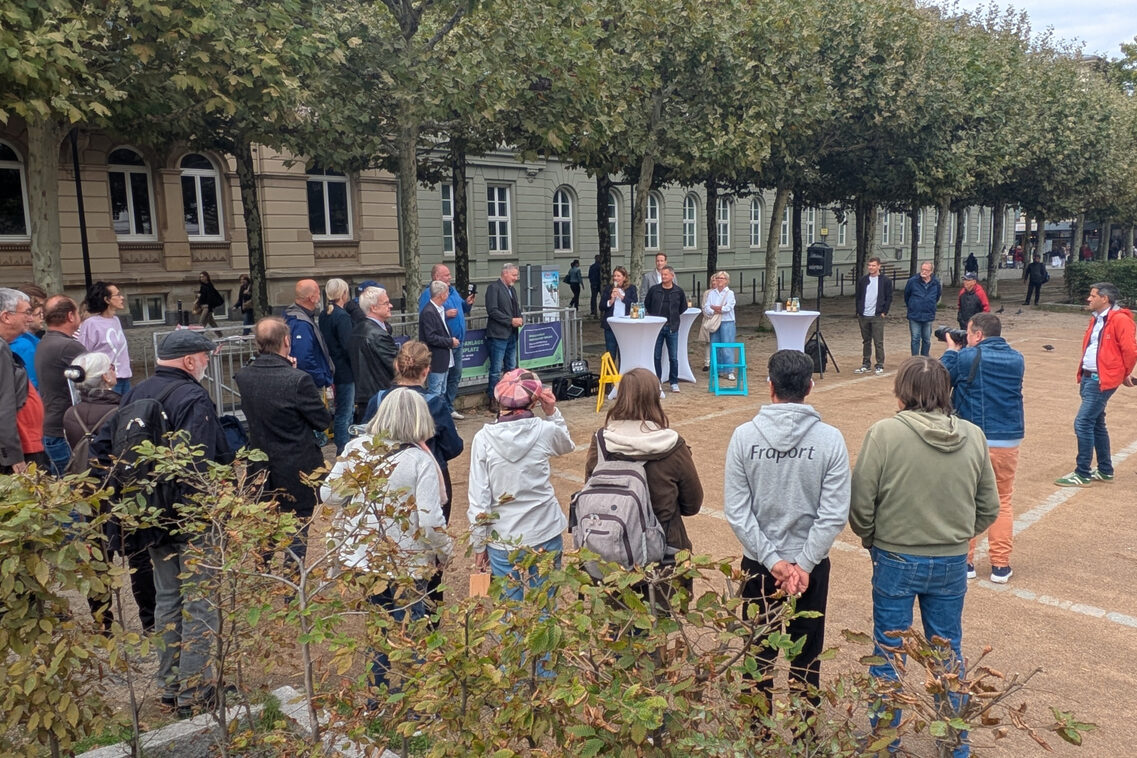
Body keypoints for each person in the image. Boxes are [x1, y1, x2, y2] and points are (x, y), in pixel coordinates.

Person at [849, 356, 998, 758]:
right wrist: (959, 536)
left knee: (888, 651)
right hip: (950, 561)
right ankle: (953, 743)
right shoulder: (974, 435)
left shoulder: (884, 433)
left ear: (902, 391)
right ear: (944, 392)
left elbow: (861, 501)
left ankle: (885, 739)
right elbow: (989, 506)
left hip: (895, 556)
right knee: (947, 652)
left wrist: (872, 538)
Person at [91, 329, 232, 714]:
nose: (206, 363)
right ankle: (195, 692)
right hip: (190, 516)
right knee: (201, 602)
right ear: (189, 360)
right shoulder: (193, 396)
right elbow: (199, 462)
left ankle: (170, 687)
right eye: (205, 357)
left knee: (168, 598)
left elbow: (104, 448)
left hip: (148, 517)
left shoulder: (136, 392)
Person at [723, 350, 850, 709]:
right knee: (806, 658)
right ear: (810, 386)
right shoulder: (830, 440)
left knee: (756, 654)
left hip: (759, 566)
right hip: (810, 570)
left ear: (770, 387)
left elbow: (737, 510)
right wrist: (804, 566)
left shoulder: (744, 437)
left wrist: (772, 561)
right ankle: (804, 737)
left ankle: (756, 737)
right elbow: (833, 513)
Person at [321, 388, 451, 693]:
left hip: (366, 557)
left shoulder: (356, 448)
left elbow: (328, 495)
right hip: (408, 559)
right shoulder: (421, 461)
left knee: (377, 627)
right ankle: (417, 702)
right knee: (414, 629)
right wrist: (445, 551)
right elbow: (431, 520)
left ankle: (375, 697)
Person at [584, 367, 703, 602]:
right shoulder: (673, 445)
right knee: (658, 626)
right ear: (655, 399)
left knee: (616, 628)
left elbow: (591, 488)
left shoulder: (601, 441)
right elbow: (692, 504)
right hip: (665, 551)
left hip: (611, 551)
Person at [62, 350, 155, 633]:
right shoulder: (122, 410)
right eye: (111, 367)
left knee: (97, 556)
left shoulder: (70, 414)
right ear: (106, 376)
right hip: (120, 489)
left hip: (87, 490)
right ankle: (149, 621)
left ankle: (103, 622)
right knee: (138, 555)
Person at [468, 369, 575, 601]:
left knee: (508, 616)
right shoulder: (545, 430)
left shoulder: (483, 439)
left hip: (503, 536)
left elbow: (479, 498)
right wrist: (553, 413)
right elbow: (566, 445)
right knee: (545, 609)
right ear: (534, 401)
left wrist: (479, 544)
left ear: (499, 401)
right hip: (544, 528)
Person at [235, 317, 333, 565]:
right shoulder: (298, 380)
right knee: (298, 521)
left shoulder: (244, 377)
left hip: (261, 462)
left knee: (266, 515)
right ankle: (292, 573)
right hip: (296, 462)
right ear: (287, 341)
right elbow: (322, 420)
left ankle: (263, 565)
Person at [941, 313, 1024, 584]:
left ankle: (965, 562)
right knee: (1003, 500)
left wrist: (952, 350)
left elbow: (940, 378)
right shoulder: (1017, 358)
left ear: (977, 335)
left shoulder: (968, 357)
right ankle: (1000, 565)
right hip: (1008, 439)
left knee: (966, 499)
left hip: (974, 439)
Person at [1055, 282, 1137, 487]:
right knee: (1097, 424)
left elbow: (1130, 351)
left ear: (1105, 298)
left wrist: (1123, 373)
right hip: (1089, 377)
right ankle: (1105, 469)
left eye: (1093, 296)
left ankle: (1082, 472)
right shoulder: (1097, 319)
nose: (1089, 299)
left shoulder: (1119, 320)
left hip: (1101, 380)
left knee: (1082, 422)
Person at [416, 264, 476, 420]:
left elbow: (462, 309)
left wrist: (467, 304)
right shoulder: (428, 296)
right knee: (437, 384)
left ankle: (448, 408)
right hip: (442, 346)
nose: (450, 277)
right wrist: (446, 314)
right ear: (436, 277)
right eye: (446, 275)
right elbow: (427, 318)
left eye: (449, 275)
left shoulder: (453, 291)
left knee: (454, 377)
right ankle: (434, 417)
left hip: (456, 343)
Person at [36, 295, 86, 475]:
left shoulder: (45, 342)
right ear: (71, 316)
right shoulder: (68, 347)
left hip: (52, 425)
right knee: (75, 489)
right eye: (79, 314)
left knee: (60, 488)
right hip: (65, 430)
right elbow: (95, 381)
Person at [350, 285, 398, 421]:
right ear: (373, 308)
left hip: (366, 396)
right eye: (386, 303)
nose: (391, 306)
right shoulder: (377, 335)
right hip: (381, 397)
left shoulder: (357, 330)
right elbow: (397, 365)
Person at [319, 279, 355, 455]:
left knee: (342, 409)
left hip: (332, 366)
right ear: (344, 294)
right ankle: (343, 449)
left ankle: (343, 447)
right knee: (345, 412)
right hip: (345, 370)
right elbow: (349, 345)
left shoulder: (324, 314)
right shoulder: (342, 316)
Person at [77, 281, 132, 395]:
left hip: (124, 377)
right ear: (107, 300)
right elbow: (83, 353)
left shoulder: (116, 320)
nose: (122, 298)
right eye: (117, 295)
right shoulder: (91, 324)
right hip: (105, 381)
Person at [0, 288, 33, 473]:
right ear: (6, 316)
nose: (30, 318)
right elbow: (4, 403)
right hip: (8, 455)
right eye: (27, 312)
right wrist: (14, 456)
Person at [484, 263, 523, 408]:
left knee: (511, 368)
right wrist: (510, 321)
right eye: (513, 275)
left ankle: (509, 395)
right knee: (495, 370)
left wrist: (519, 318)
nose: (515, 278)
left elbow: (515, 307)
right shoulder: (494, 288)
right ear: (504, 273)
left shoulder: (512, 290)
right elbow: (492, 311)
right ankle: (493, 398)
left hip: (512, 334)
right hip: (498, 335)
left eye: (516, 275)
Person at [284, 279, 334, 390]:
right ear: (311, 298)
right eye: (318, 294)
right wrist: (321, 378)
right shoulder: (300, 323)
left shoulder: (293, 316)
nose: (319, 297)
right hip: (309, 385)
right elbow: (303, 358)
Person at [418, 280, 459, 413]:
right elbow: (431, 337)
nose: (448, 294)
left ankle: (441, 419)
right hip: (436, 358)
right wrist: (449, 342)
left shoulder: (440, 309)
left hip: (444, 358)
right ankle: (433, 421)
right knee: (435, 392)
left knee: (442, 390)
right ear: (442, 294)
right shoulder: (429, 312)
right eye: (447, 292)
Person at [645, 265, 687, 393]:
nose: (663, 277)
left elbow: (682, 307)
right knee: (656, 356)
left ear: (672, 276)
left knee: (673, 357)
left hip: (672, 327)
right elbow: (648, 304)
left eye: (666, 275)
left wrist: (673, 318)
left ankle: (674, 382)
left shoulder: (678, 291)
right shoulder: (654, 290)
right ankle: (657, 381)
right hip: (657, 328)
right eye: (662, 275)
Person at [854, 257, 892, 374]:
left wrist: (884, 312)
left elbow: (889, 297)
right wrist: (859, 311)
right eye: (869, 265)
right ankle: (866, 363)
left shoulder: (885, 281)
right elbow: (859, 296)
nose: (871, 267)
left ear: (879, 266)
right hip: (863, 315)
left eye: (873, 265)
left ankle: (879, 364)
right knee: (866, 340)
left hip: (877, 315)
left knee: (878, 341)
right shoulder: (863, 280)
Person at [704, 271, 737, 380]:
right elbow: (707, 307)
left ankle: (729, 370)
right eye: (718, 278)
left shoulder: (730, 293)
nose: (719, 280)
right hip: (715, 322)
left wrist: (716, 308)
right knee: (715, 346)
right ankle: (717, 370)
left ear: (727, 281)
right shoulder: (712, 293)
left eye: (722, 278)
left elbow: (728, 307)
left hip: (727, 322)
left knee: (727, 346)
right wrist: (717, 309)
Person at [904, 261, 941, 357]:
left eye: (926, 270)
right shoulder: (912, 281)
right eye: (922, 269)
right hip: (914, 314)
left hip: (928, 315)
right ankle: (915, 359)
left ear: (931, 271)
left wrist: (930, 305)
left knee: (927, 339)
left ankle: (925, 358)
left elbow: (937, 296)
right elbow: (906, 296)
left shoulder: (936, 282)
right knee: (915, 338)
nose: (923, 272)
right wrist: (913, 306)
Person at [601, 266, 636, 363]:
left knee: (624, 352)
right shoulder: (608, 288)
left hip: (625, 325)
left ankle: (623, 375)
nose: (615, 278)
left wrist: (621, 297)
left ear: (624, 277)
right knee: (610, 353)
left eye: (618, 276)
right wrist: (611, 300)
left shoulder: (631, 289)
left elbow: (634, 305)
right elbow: (601, 306)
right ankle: (610, 376)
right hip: (611, 325)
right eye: (614, 276)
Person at [12, 283, 44, 388]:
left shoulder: (29, 340)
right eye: (39, 313)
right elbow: (33, 384)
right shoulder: (23, 344)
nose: (43, 316)